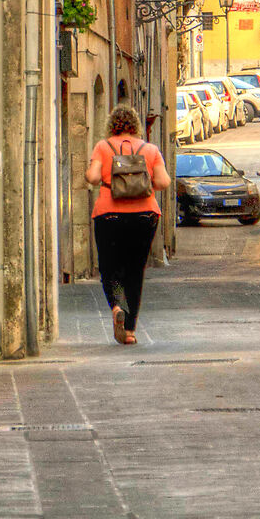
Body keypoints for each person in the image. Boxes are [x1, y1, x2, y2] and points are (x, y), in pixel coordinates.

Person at [86, 102, 169, 345]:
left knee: (109, 266)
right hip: (145, 215)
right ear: (136, 126)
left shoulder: (103, 147)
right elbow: (163, 182)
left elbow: (93, 177)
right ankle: (130, 330)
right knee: (135, 270)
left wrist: (94, 174)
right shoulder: (150, 149)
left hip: (109, 214)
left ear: (111, 125)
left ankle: (116, 307)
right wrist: (141, 185)